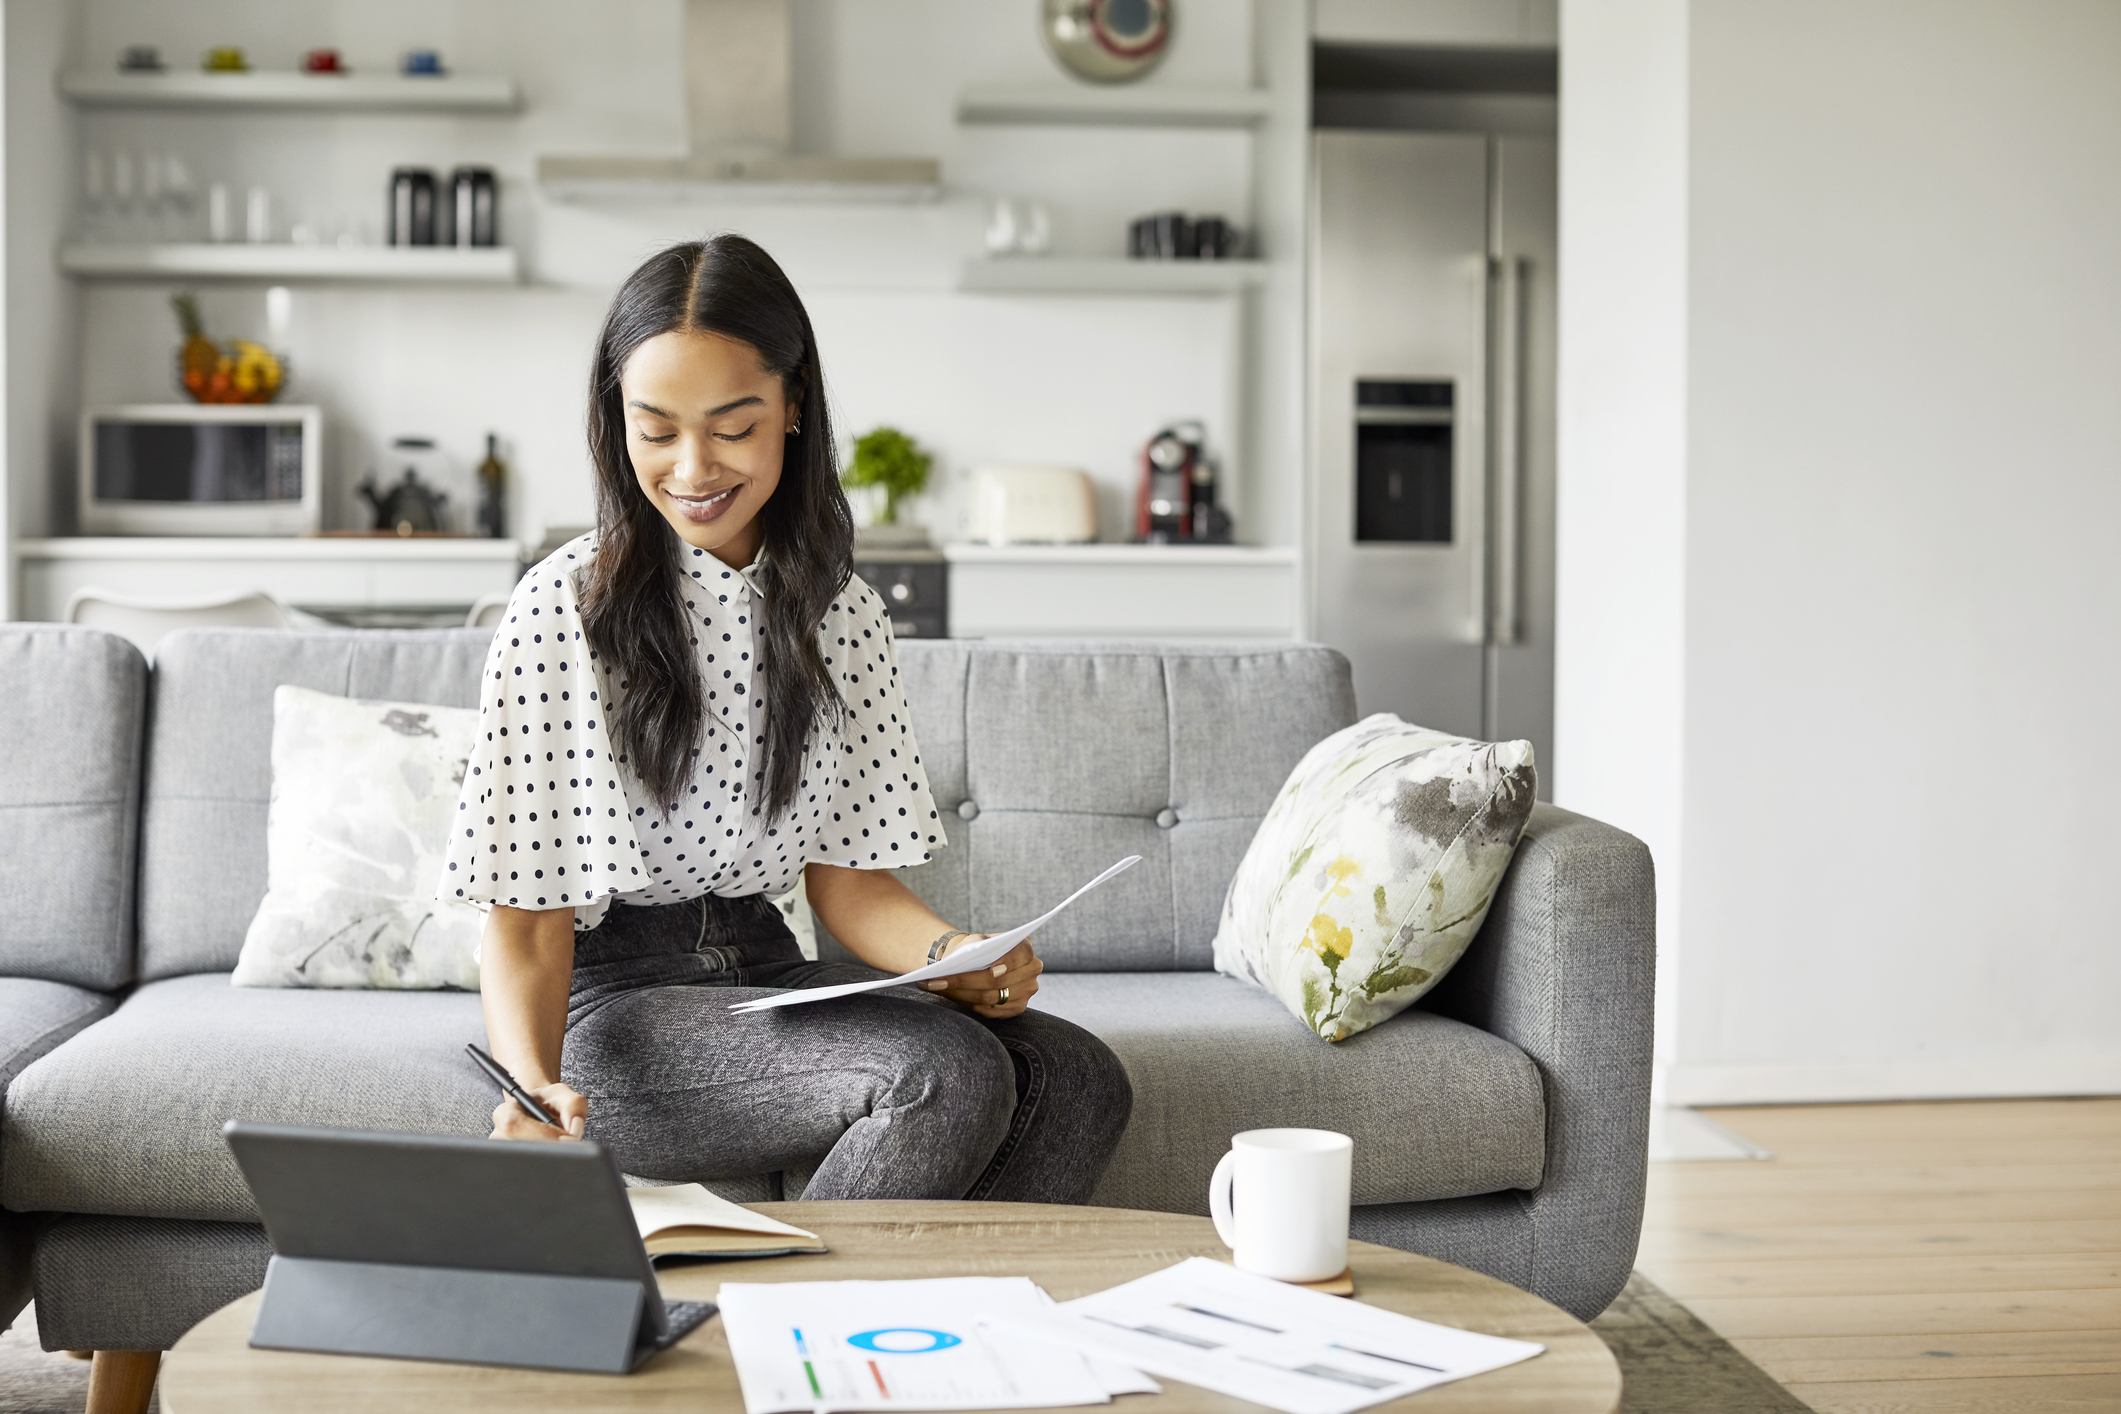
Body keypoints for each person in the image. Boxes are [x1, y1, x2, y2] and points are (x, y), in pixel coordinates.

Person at [442, 235, 1131, 1202]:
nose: (692, 467)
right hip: (617, 1005)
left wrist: (953, 959)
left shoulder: (839, 612)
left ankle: (938, 1332)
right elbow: (524, 923)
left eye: (733, 426)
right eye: (656, 429)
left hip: (767, 968)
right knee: (940, 1072)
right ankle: (800, 1337)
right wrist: (533, 1089)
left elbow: (849, 883)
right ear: (616, 424)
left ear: (793, 409)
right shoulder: (564, 605)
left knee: (1079, 1077)